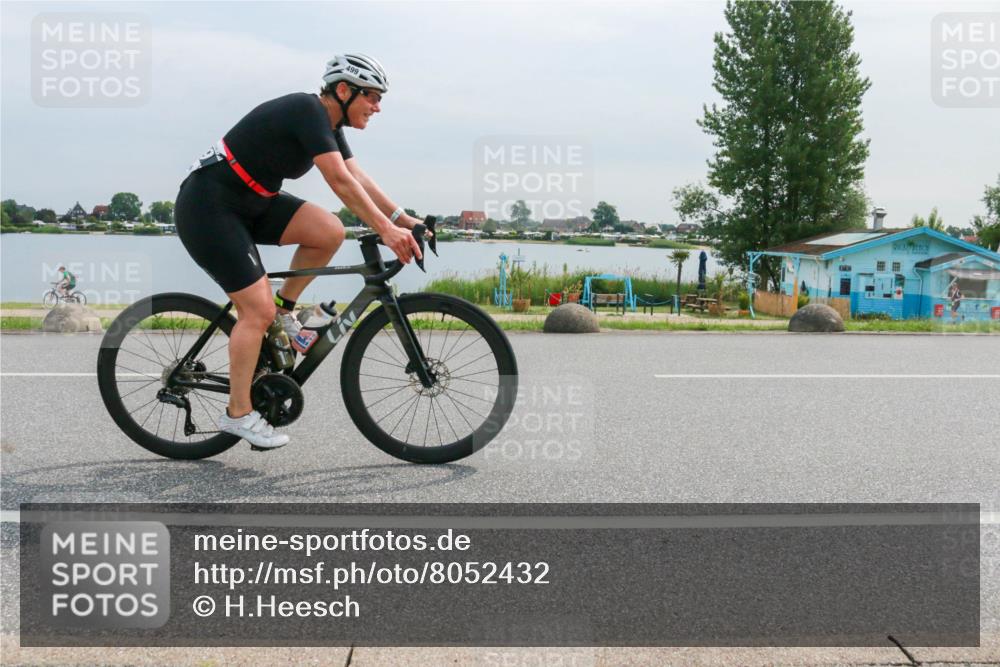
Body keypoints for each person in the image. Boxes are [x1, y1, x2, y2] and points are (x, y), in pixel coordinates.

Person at [174, 54, 423, 451]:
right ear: (343, 91)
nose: (377, 107)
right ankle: (237, 413)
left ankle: (285, 312)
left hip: (254, 202)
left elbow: (358, 176)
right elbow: (339, 180)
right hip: (209, 206)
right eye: (372, 97)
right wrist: (386, 230)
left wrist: (403, 219)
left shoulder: (330, 122)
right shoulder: (306, 109)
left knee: (328, 231)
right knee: (254, 311)